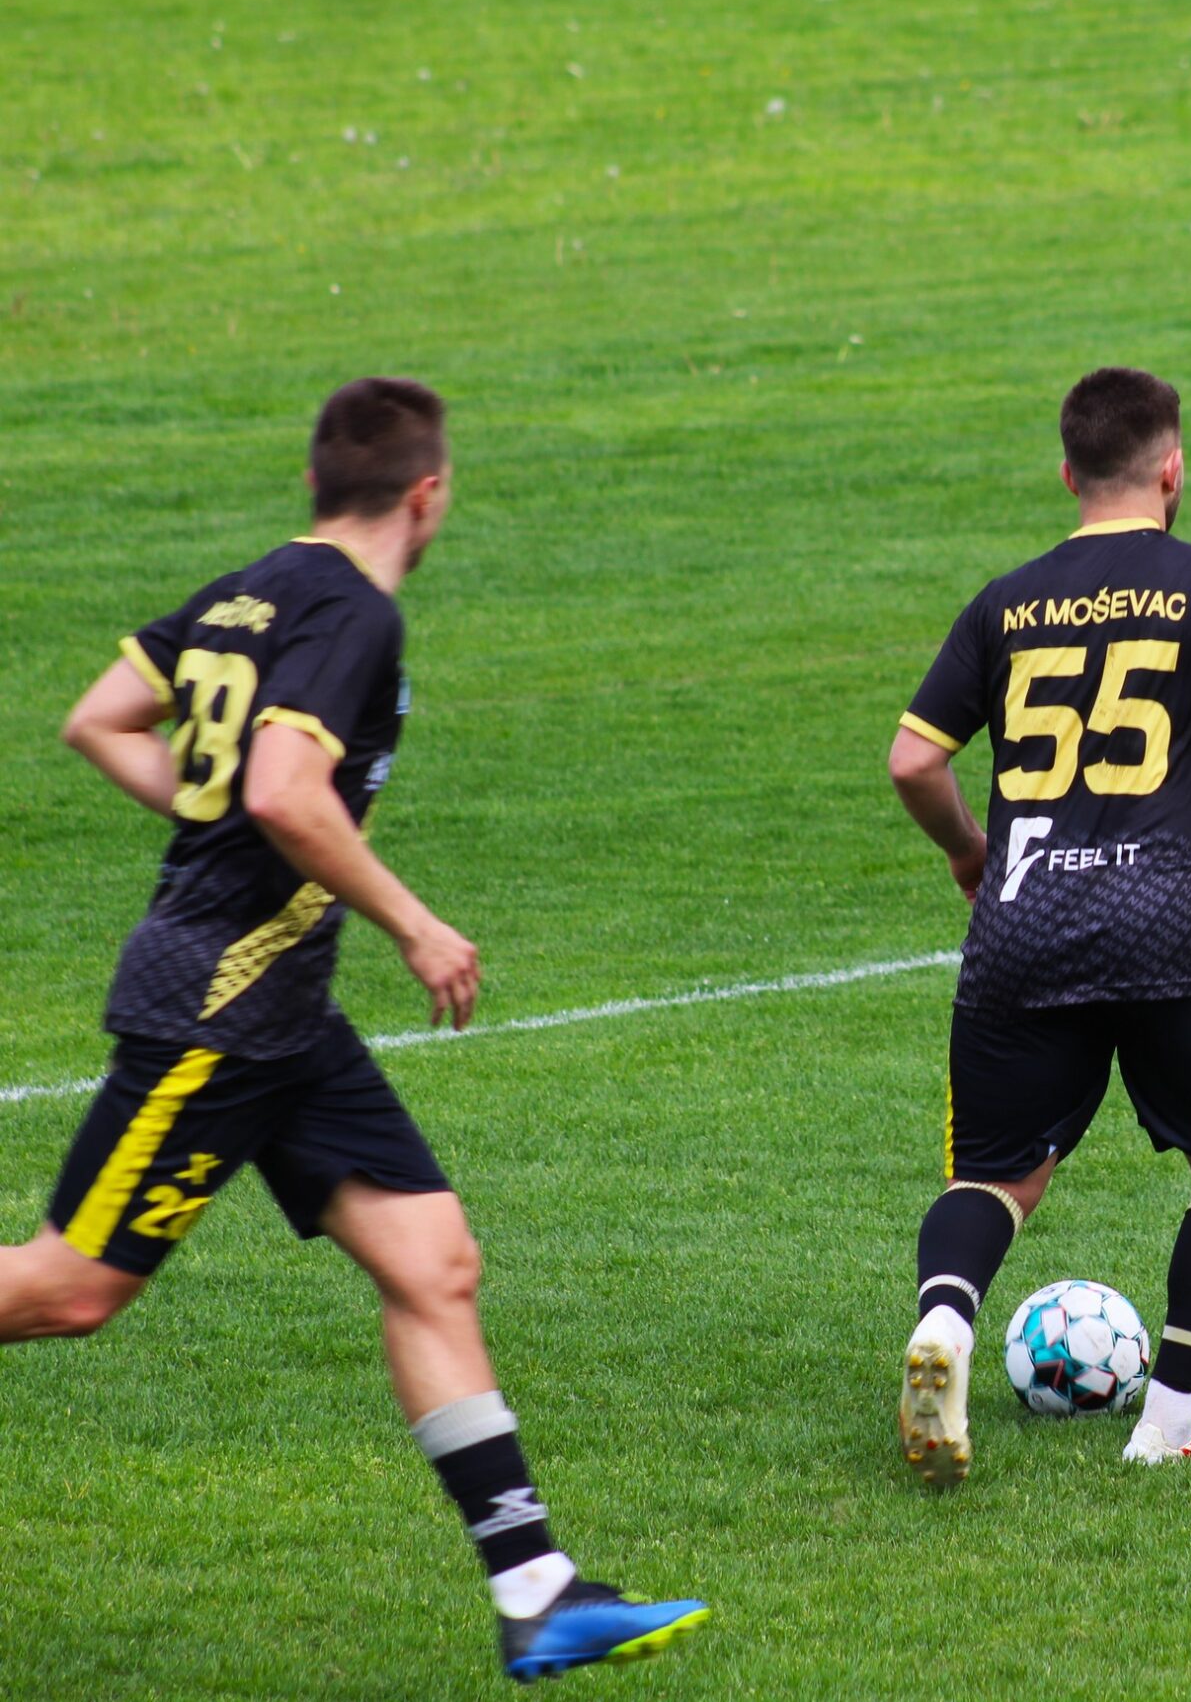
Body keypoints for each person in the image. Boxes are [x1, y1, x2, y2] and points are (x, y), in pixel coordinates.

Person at [0, 378, 708, 1683]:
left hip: (287, 1017)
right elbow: (283, 791)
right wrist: (414, 923)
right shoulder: (355, 611)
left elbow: (100, 718)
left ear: (319, 480)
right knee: (67, 1289)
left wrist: (212, 817)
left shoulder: (245, 590)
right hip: (215, 1011)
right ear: (427, 492)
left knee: (434, 1260)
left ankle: (538, 1591)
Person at [887, 366, 1191, 1484]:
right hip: (1169, 922)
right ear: (1172, 468)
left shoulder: (1006, 602)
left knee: (995, 1173)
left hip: (1022, 921)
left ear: (1068, 473)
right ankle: (1167, 1423)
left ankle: (944, 1321)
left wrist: (968, 852)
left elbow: (912, 761)